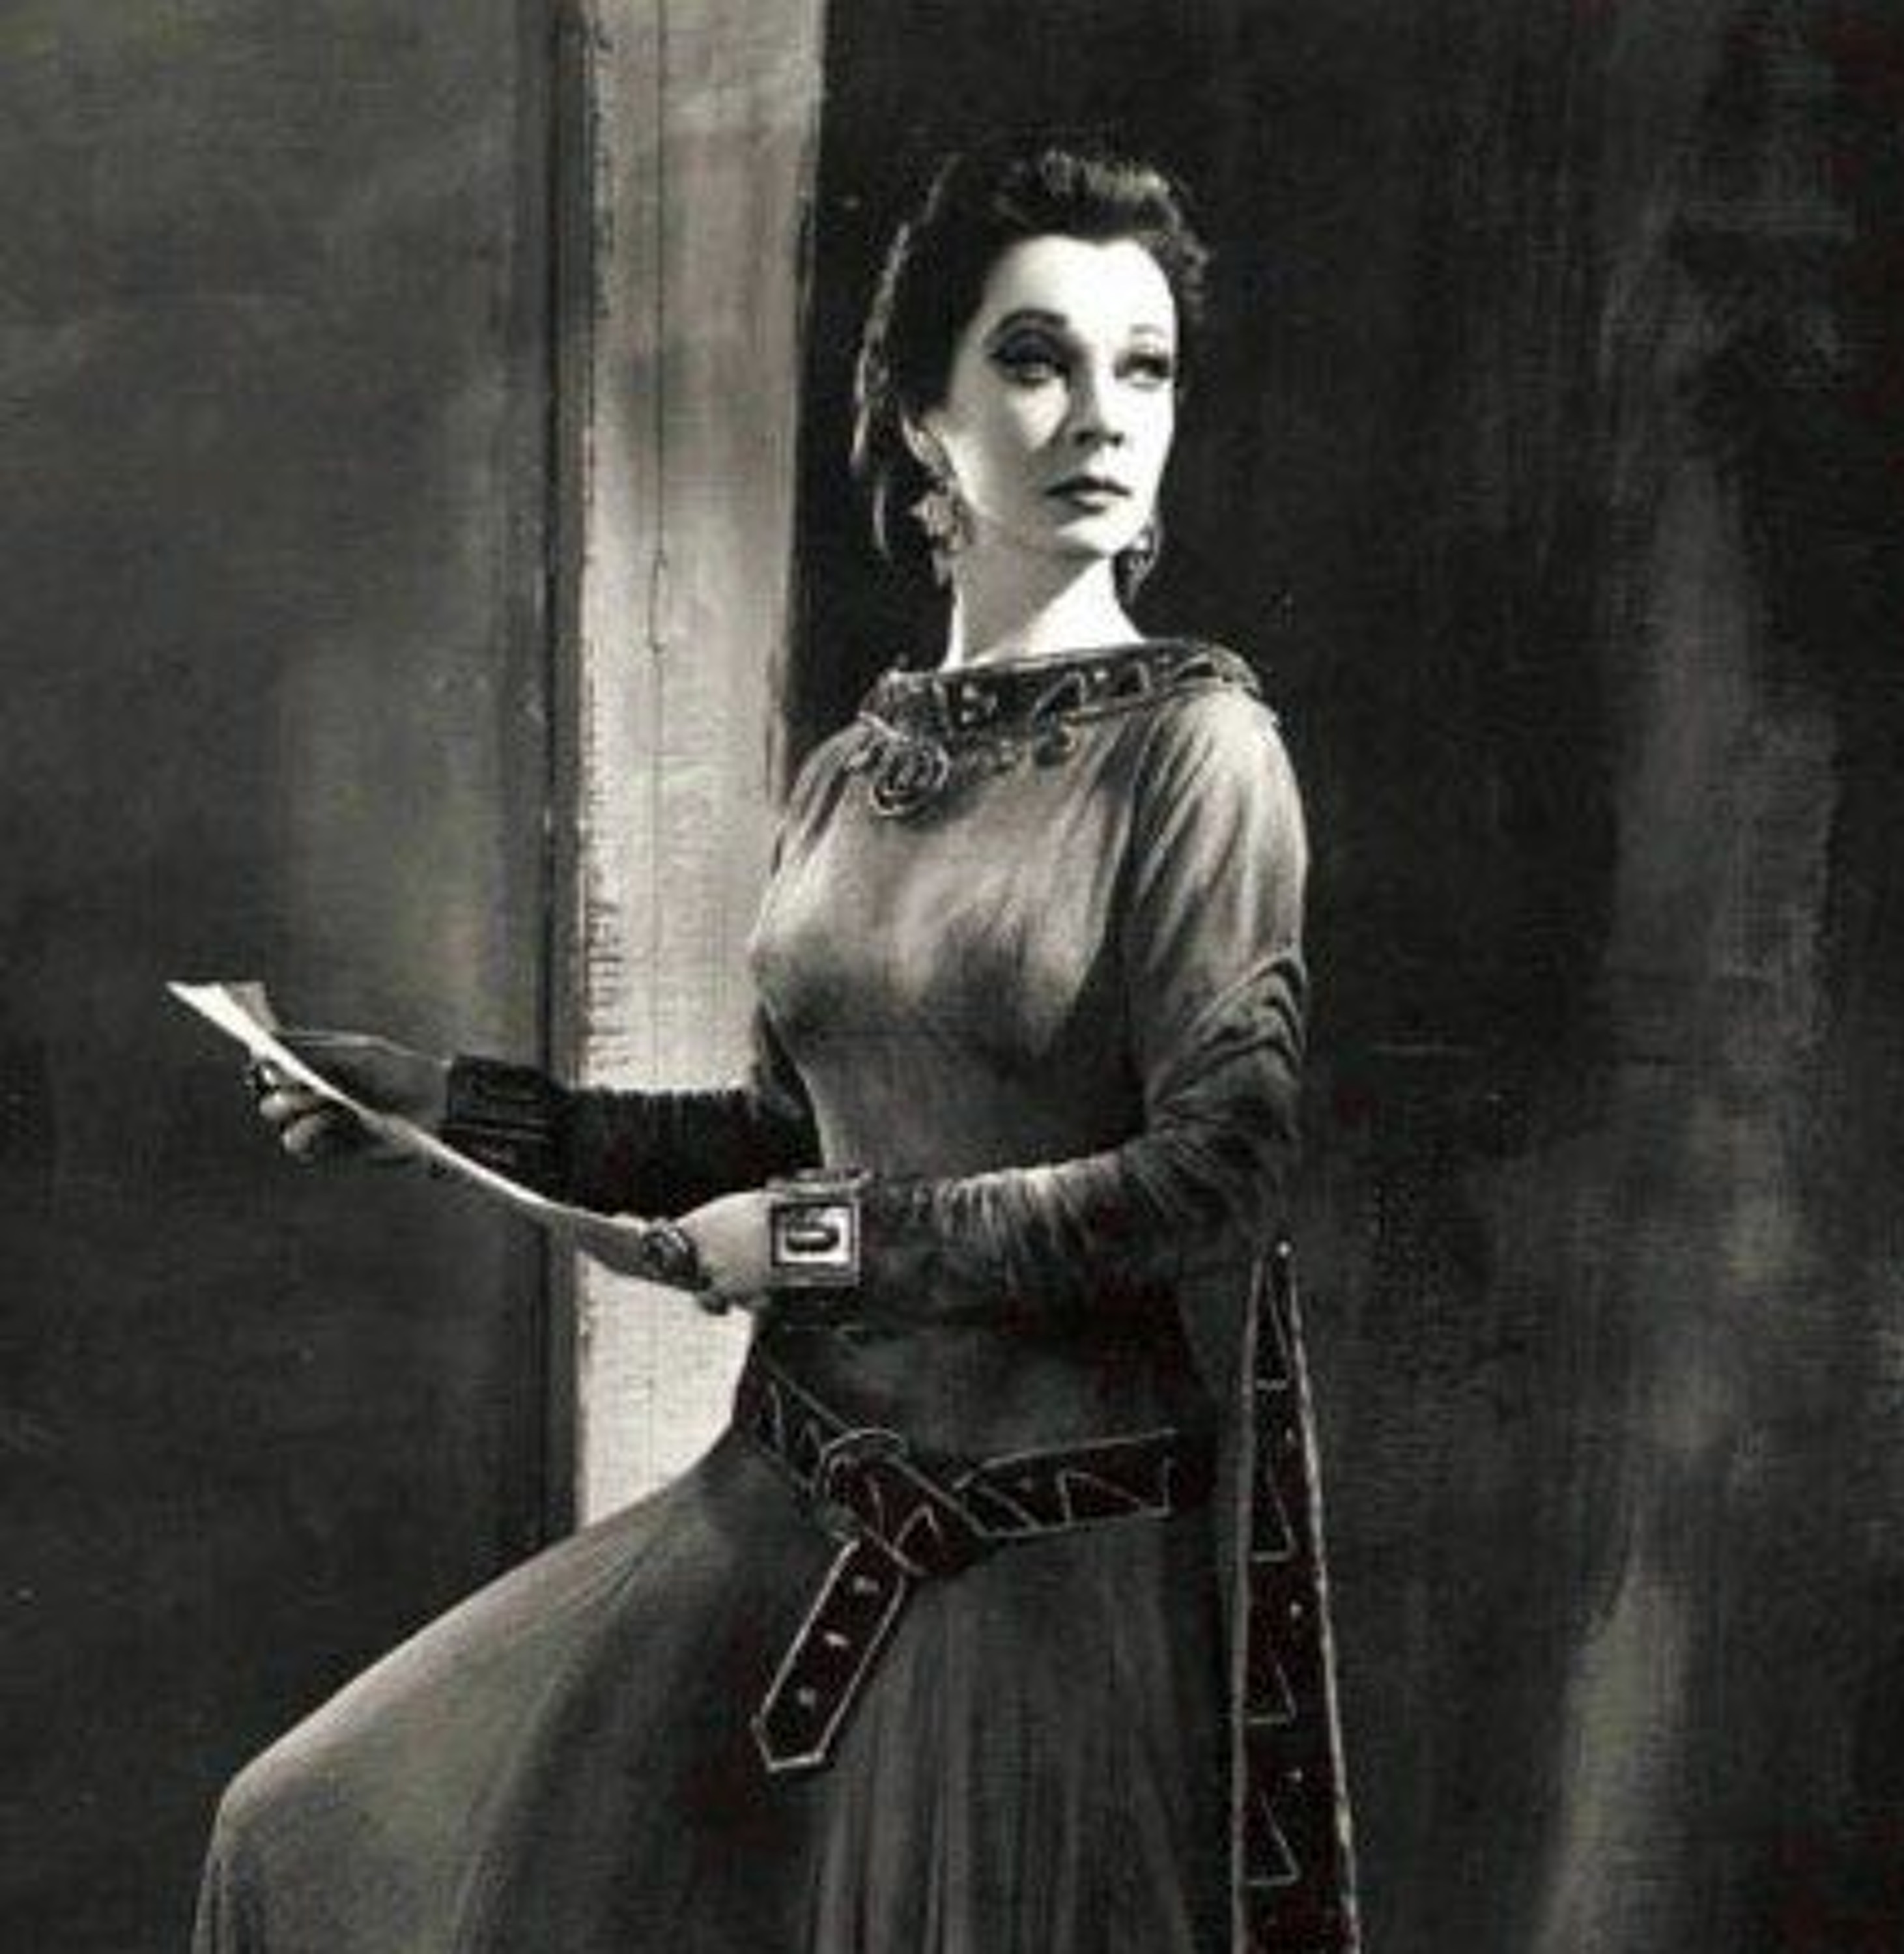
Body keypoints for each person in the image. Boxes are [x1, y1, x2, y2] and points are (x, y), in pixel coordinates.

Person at [198, 141, 1360, 1954]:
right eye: (1036, 359)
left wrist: (823, 1244)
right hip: (783, 1512)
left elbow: (1214, 1179)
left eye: (1144, 366)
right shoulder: (852, 770)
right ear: (922, 418)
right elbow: (771, 1129)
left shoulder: (1199, 754)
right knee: (303, 1830)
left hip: (1031, 1578)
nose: (1100, 415)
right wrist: (450, 1105)